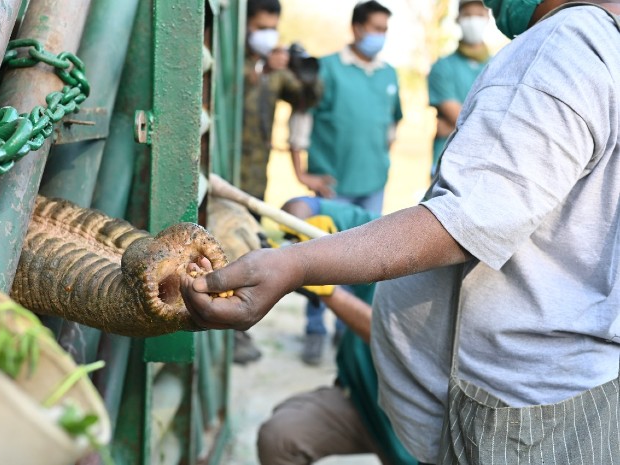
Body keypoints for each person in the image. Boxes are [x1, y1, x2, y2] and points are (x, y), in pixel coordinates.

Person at [182, 0, 620, 463]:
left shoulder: (565, 41)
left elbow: (468, 218)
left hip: (520, 415)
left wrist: (297, 265)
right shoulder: (607, 46)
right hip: (566, 394)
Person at [257, 197, 417, 465]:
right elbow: (305, 204)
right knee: (281, 436)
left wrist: (330, 293)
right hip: (363, 397)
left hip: (424, 429)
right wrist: (300, 227)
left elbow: (398, 342)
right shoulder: (399, 239)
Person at [234, 0, 320, 364]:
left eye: (273, 26)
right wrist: (260, 68)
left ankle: (238, 328)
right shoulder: (231, 62)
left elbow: (306, 99)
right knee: (224, 246)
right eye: (261, 26)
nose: (267, 34)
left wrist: (308, 71)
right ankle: (231, 332)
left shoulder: (274, 71)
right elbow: (230, 88)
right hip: (224, 173)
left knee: (246, 247)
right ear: (245, 27)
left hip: (255, 179)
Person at [292, 0, 403, 214]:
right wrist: (301, 174)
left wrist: (381, 163)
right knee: (331, 242)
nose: (381, 35)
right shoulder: (326, 68)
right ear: (356, 28)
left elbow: (393, 122)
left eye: (385, 30)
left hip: (375, 184)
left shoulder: (388, 73)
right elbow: (301, 118)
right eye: (376, 28)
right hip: (334, 185)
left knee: (370, 244)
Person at [428, 0, 490, 176]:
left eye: (479, 15)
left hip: (483, 164)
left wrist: (452, 127)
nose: (473, 21)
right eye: (468, 16)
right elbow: (456, 115)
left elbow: (459, 121)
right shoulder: (442, 66)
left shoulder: (499, 64)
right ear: (457, 19)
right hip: (447, 162)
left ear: (487, 18)